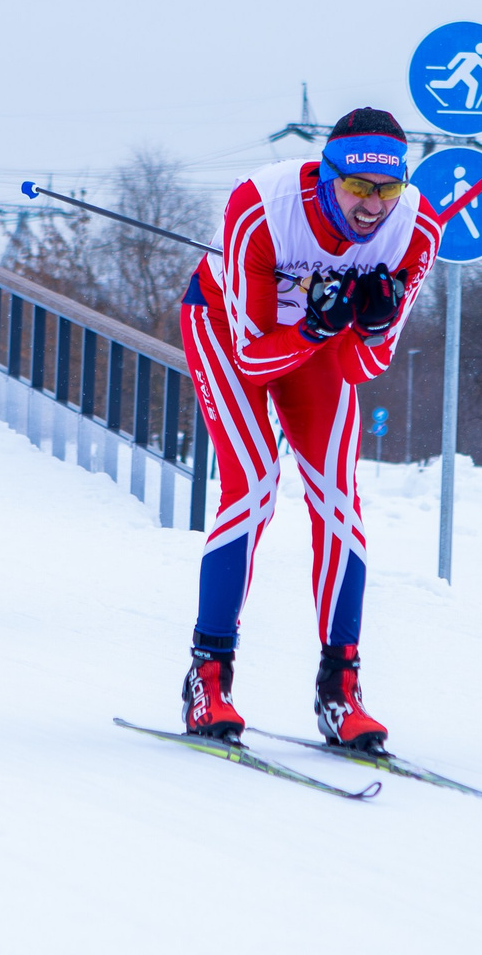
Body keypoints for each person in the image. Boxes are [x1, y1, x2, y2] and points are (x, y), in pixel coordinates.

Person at [178, 107, 443, 750]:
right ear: (327, 176)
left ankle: (340, 689)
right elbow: (251, 353)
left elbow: (365, 365)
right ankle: (208, 677)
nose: (372, 205)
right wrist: (316, 326)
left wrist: (371, 324)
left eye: (387, 188)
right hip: (229, 329)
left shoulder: (416, 229)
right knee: (253, 487)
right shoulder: (261, 207)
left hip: (317, 349)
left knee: (339, 500)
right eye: (357, 186)